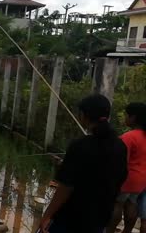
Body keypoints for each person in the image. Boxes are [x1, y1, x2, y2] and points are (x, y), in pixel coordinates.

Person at [39, 94, 128, 233]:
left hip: (71, 218)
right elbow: (119, 178)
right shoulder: (120, 146)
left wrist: (47, 215)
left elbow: (65, 187)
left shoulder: (79, 146)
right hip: (99, 219)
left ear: (83, 115)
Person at [107, 103, 146, 233]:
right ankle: (127, 231)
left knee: (117, 203)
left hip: (126, 178)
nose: (125, 118)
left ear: (133, 118)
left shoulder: (128, 137)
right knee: (132, 203)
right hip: (141, 180)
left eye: (126, 115)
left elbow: (120, 160)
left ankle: (110, 230)